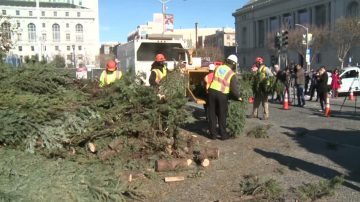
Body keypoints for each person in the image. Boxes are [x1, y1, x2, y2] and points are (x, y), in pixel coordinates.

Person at [208, 55, 242, 140]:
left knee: (212, 114)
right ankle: (223, 135)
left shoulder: (218, 68)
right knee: (222, 114)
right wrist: (239, 97)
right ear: (234, 64)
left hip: (212, 91)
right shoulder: (231, 73)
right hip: (222, 94)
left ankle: (213, 135)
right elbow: (234, 90)